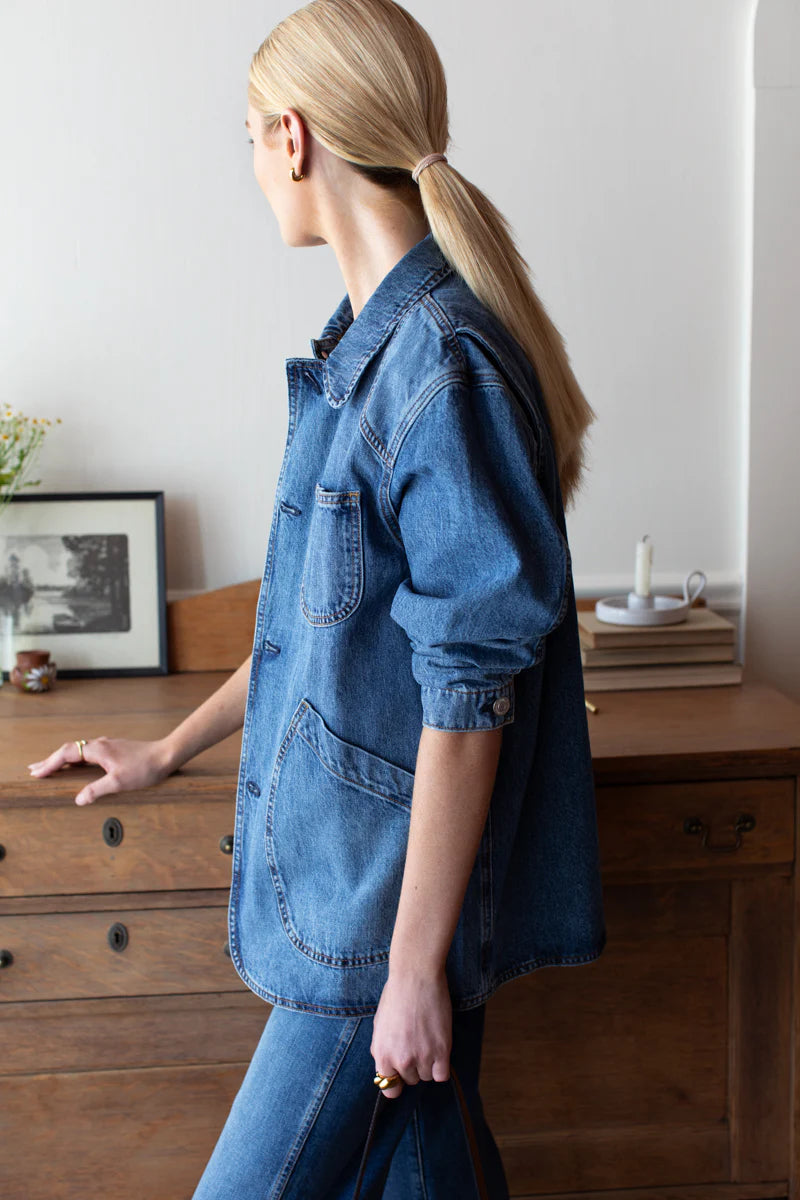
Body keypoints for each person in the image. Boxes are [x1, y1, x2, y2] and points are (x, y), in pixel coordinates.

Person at [26, 0, 607, 1195]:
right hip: (368, 904)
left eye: (247, 134)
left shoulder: (435, 367)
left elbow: (467, 695)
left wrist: (409, 969)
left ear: (292, 138)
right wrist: (168, 749)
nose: (250, 165)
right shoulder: (369, 356)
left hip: (375, 919)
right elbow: (311, 628)